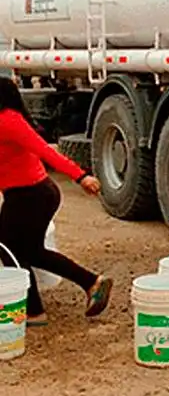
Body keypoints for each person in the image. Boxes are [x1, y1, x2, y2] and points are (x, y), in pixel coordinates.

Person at [0, 77, 112, 327]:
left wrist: (80, 176)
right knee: (30, 252)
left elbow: (46, 151)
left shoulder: (8, 121)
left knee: (7, 247)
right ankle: (91, 282)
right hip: (27, 195)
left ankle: (33, 310)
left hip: (31, 196)